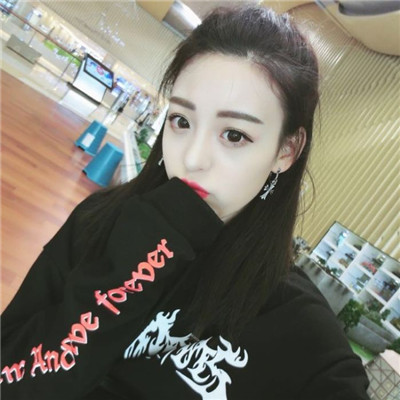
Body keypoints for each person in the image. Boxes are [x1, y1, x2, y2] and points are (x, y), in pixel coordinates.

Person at [1, 6, 370, 400]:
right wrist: (137, 258)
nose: (192, 158)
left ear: (286, 151)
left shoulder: (303, 334)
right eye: (181, 121)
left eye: (234, 135)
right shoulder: (98, 221)